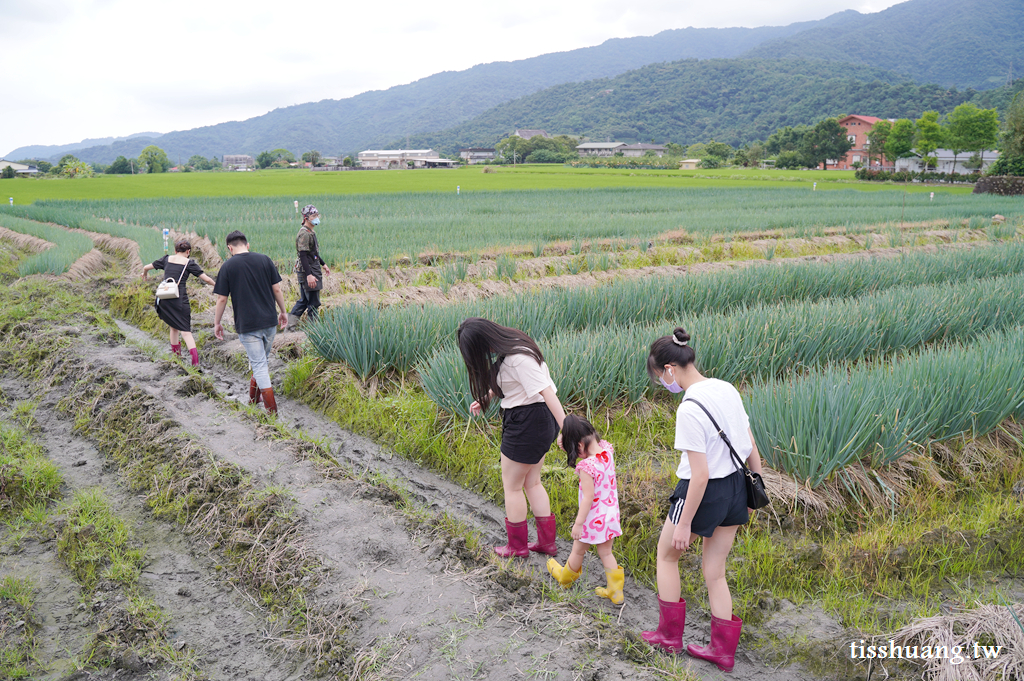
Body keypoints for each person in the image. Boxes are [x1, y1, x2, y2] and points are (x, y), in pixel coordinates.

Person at [641, 327, 763, 673]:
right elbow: (750, 443)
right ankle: (722, 653)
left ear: (669, 369)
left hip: (704, 493)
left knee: (667, 556)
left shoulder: (689, 408)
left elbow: (700, 474)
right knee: (715, 572)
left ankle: (668, 637)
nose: (664, 384)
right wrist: (756, 485)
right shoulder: (726, 388)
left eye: (659, 377)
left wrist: (683, 523)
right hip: (739, 487)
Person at [459, 317, 566, 557]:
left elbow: (546, 391)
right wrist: (487, 397)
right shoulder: (514, 348)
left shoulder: (518, 359)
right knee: (532, 482)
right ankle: (546, 544)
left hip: (527, 422)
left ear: (483, 344)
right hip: (536, 420)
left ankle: (517, 547)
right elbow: (515, 383)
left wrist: (566, 427)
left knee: (512, 486)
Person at [546, 414, 624, 604]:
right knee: (606, 553)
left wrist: (578, 524)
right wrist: (566, 439)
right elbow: (583, 440)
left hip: (592, 519)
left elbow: (588, 497)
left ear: (579, 446)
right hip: (610, 515)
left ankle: (565, 579)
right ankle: (616, 592)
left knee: (578, 551)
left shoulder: (586, 467)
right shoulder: (606, 451)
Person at [212, 230, 289, 415]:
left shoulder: (228, 266)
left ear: (229, 248)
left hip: (248, 325)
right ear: (247, 245)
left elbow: (222, 299)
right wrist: (283, 311)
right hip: (270, 322)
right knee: (261, 362)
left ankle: (272, 411)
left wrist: (217, 323)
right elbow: (277, 289)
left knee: (259, 364)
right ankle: (253, 399)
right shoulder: (265, 259)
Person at [141, 239, 216, 366]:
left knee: (173, 327)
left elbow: (146, 267)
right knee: (186, 331)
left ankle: (177, 357)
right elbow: (207, 279)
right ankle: (195, 363)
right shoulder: (189, 263)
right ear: (188, 251)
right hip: (179, 300)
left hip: (165, 299)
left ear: (175, 251)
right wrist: (218, 287)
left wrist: (145, 274)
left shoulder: (166, 259)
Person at [290, 204, 330, 324]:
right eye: (313, 215)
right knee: (313, 303)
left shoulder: (310, 232)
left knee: (304, 301)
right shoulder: (305, 234)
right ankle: (314, 330)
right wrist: (309, 275)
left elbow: (312, 253)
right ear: (306, 218)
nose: (316, 217)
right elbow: (303, 255)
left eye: (317, 215)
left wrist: (323, 263)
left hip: (312, 268)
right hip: (308, 271)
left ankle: (289, 326)